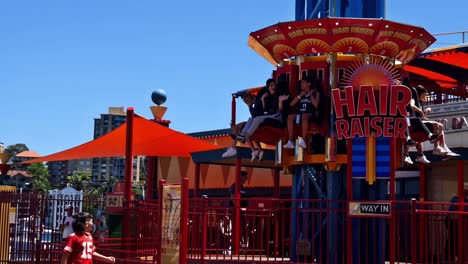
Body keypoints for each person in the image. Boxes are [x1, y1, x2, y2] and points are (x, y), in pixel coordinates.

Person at [237, 79, 283, 160]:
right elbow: (264, 110)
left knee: (257, 119)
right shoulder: (265, 97)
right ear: (268, 87)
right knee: (251, 119)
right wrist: (263, 100)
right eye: (271, 85)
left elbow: (274, 110)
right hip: (269, 116)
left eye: (274, 85)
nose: (273, 87)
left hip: (277, 116)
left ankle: (246, 136)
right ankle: (243, 135)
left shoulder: (277, 95)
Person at [283, 76, 322, 149]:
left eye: (303, 83)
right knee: (290, 117)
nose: (301, 85)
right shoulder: (300, 93)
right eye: (301, 83)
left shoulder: (315, 92)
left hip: (311, 114)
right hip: (300, 113)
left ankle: (304, 140)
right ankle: (291, 141)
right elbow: (291, 104)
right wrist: (300, 95)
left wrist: (310, 95)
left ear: (309, 84)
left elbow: (317, 106)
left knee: (304, 116)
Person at [221, 93, 263, 160]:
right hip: (255, 120)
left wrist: (249, 106)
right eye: (245, 102)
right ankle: (255, 150)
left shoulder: (259, 102)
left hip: (260, 120)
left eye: (247, 101)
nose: (246, 103)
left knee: (238, 128)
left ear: (251, 98)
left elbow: (256, 115)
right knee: (240, 129)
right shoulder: (255, 104)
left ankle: (234, 147)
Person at [444, 183, 468, 261]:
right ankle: (451, 256)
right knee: (453, 237)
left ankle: (452, 256)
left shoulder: (460, 199)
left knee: (454, 237)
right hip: (452, 220)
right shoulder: (456, 199)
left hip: (455, 220)